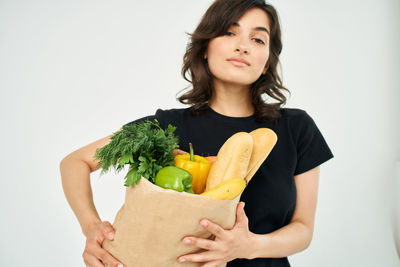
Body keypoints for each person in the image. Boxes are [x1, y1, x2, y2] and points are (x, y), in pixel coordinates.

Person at [60, 0, 334, 266]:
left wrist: (249, 246)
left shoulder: (296, 127)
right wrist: (92, 228)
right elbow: (75, 162)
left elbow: (303, 229)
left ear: (266, 63)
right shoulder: (164, 128)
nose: (243, 46)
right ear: (205, 48)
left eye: (258, 40)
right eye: (230, 32)